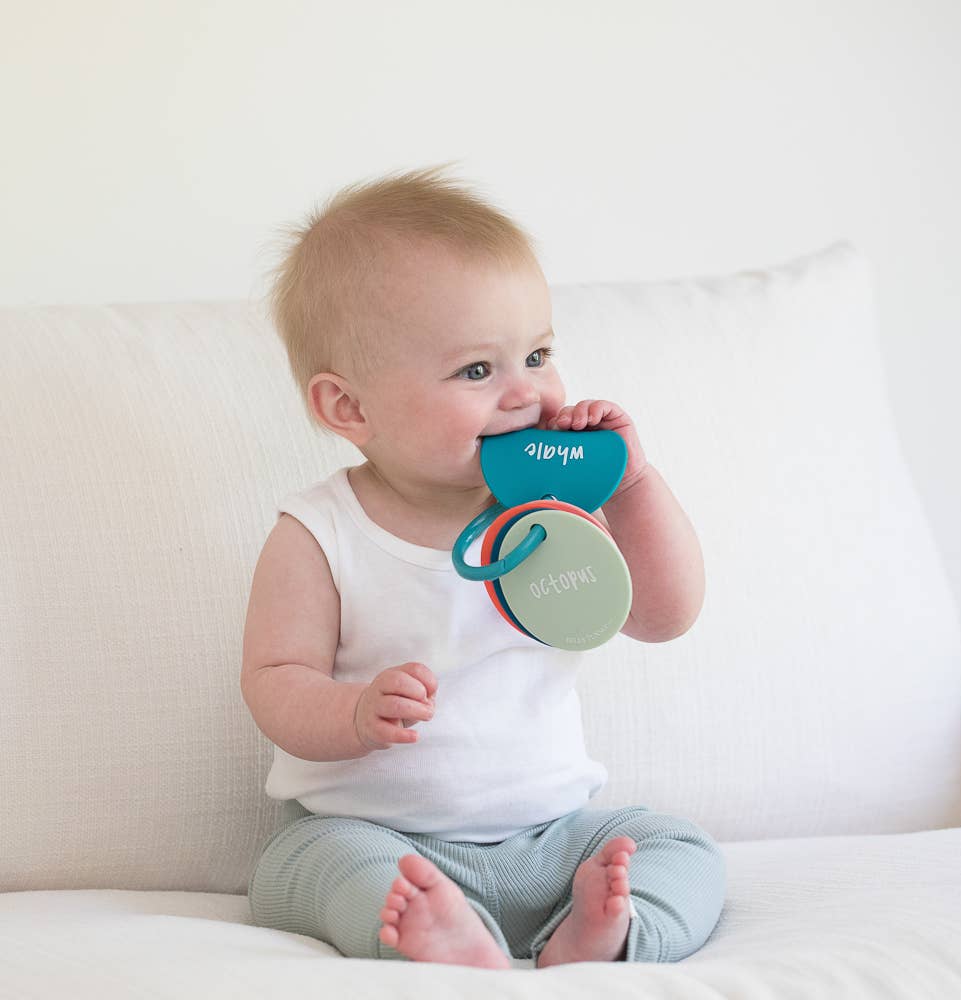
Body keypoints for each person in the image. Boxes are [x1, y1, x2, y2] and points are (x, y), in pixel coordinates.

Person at [241, 164, 725, 968]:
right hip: (377, 839)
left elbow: (663, 615)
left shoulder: (551, 514)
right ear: (349, 407)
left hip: (553, 840)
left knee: (680, 846)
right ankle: (436, 938)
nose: (524, 394)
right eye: (477, 370)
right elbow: (274, 681)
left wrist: (631, 485)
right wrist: (353, 713)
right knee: (305, 869)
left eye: (537, 354)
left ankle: (608, 936)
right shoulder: (320, 532)